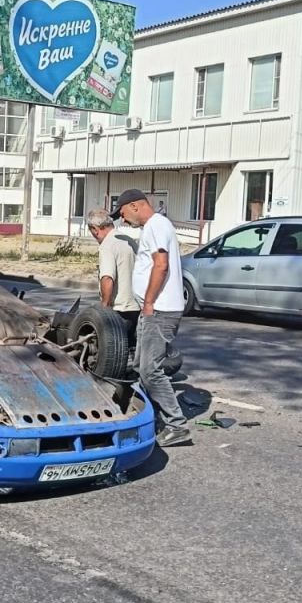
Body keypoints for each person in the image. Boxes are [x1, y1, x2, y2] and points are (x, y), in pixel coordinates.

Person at [117, 189, 190, 447]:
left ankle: (176, 425)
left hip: (159, 310)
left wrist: (148, 302)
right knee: (141, 367)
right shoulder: (154, 226)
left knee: (150, 371)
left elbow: (161, 265)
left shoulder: (157, 225)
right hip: (155, 310)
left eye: (123, 213)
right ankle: (151, 419)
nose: (123, 220)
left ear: (135, 206)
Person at [86, 208, 140, 345]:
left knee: (112, 355)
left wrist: (104, 309)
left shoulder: (107, 245)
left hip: (119, 310)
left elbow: (107, 278)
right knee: (132, 350)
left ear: (95, 229)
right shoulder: (129, 241)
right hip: (136, 307)